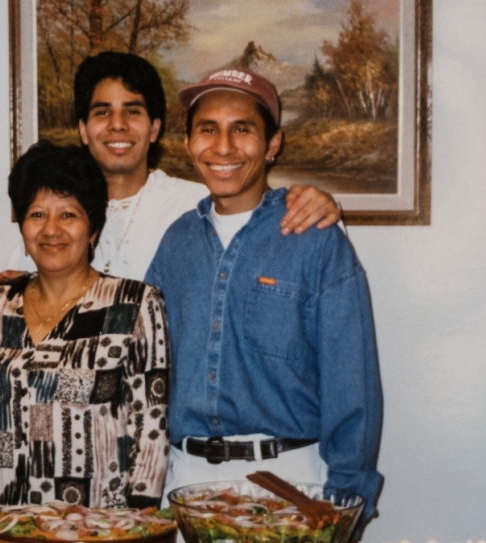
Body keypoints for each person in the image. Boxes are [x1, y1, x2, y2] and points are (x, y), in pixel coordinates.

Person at [144, 68, 382, 526]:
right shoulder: (176, 243)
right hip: (185, 483)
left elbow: (351, 380)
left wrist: (347, 498)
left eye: (243, 129)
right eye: (207, 129)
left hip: (290, 482)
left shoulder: (315, 239)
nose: (224, 147)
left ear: (273, 143)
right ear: (189, 142)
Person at [0, 51, 341, 286]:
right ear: (83, 130)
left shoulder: (198, 205)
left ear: (155, 128)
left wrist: (317, 203)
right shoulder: (49, 220)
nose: (117, 125)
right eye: (102, 112)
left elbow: (261, 220)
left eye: (133, 111)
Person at [0, 142, 170, 511]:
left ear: (93, 228)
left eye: (68, 215)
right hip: (8, 524)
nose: (51, 230)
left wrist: (137, 530)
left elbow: (151, 433)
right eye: (36, 214)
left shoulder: (134, 305)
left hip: (98, 528)